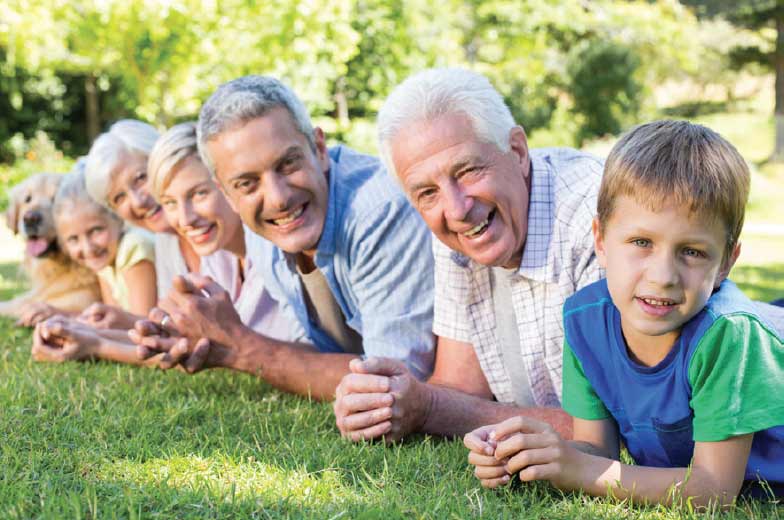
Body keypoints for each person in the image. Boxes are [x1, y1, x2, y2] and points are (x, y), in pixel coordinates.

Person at [466, 120, 784, 505]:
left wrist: (578, 469)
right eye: (641, 242)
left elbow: (713, 490)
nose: (663, 276)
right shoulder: (584, 322)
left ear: (725, 263)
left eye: (692, 252)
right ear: (600, 240)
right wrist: (533, 455)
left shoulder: (728, 335)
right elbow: (597, 452)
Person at [333, 68, 604, 441]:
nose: (456, 208)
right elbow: (460, 385)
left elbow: (609, 429)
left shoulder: (593, 220)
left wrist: (429, 408)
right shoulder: (460, 230)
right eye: (426, 193)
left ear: (518, 151)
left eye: (469, 170)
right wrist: (383, 402)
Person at [132, 75, 435, 401]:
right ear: (228, 194)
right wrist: (211, 343)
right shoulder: (262, 229)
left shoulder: (378, 211)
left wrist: (239, 346)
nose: (277, 198)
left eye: (288, 164)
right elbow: (314, 352)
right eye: (247, 183)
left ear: (319, 149)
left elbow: (395, 383)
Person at [131, 121, 306, 365]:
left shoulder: (282, 243)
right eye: (170, 202)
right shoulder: (218, 253)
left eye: (199, 194)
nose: (185, 219)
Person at [53, 169, 156, 319]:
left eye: (95, 230)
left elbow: (144, 326)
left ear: (118, 220)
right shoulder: (105, 261)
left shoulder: (133, 247)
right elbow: (113, 320)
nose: (88, 248)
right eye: (73, 239)